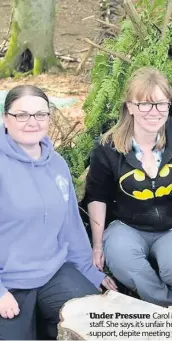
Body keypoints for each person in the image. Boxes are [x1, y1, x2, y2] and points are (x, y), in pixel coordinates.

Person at [84, 67, 172, 307]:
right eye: (144, 104)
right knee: (126, 264)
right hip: (126, 227)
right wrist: (97, 245)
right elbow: (97, 197)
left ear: (169, 105)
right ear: (131, 107)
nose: (153, 112)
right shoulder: (108, 146)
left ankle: (156, 294)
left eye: (160, 104)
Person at [0, 85, 116, 340]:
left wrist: (89, 271)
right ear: (5, 118)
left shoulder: (57, 164)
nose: (32, 122)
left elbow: (70, 226)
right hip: (8, 281)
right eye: (22, 115)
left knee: (95, 326)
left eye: (40, 114)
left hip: (52, 271)